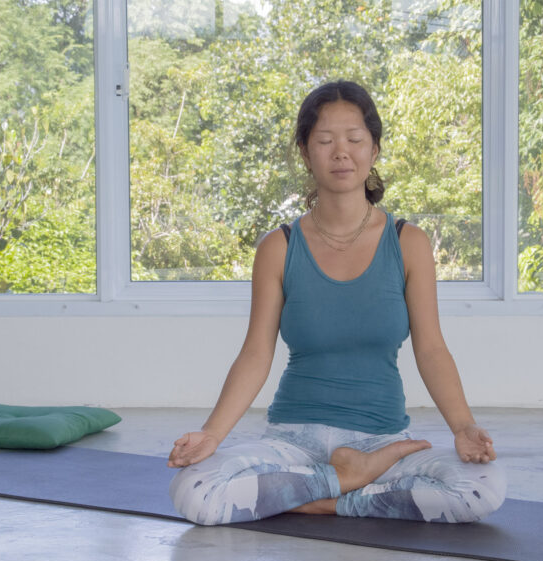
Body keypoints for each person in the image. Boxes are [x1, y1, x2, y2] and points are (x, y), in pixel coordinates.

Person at [167, 80, 506, 526]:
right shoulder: (279, 247)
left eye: (354, 140)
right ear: (307, 154)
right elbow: (256, 353)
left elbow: (431, 349)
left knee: (484, 488)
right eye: (325, 141)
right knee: (193, 490)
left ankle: (322, 493)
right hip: (293, 441)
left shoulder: (408, 243)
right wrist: (212, 435)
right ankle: (348, 485)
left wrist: (463, 429)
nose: (340, 152)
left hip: (381, 443)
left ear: (374, 149)